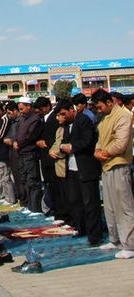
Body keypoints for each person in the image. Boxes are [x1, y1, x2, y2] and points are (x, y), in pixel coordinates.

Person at [92, 88, 134, 259]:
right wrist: (97, 152)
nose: (98, 110)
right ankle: (115, 239)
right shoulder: (104, 118)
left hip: (119, 165)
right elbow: (100, 141)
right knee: (109, 207)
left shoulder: (122, 116)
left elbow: (121, 142)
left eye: (100, 106)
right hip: (106, 166)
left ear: (110, 102)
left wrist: (105, 153)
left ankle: (130, 244)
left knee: (124, 206)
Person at [57, 100, 102, 246]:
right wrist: (62, 147)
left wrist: (73, 147)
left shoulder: (83, 120)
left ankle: (94, 235)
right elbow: (63, 142)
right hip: (72, 168)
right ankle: (81, 228)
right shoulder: (67, 125)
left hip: (85, 167)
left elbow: (88, 141)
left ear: (71, 109)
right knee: (75, 201)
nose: (62, 116)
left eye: (64, 113)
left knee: (90, 203)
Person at [13, 96, 43, 213]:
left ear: (29, 106)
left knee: (32, 180)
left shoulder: (35, 119)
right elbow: (18, 133)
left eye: (22, 108)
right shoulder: (22, 118)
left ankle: (35, 207)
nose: (20, 110)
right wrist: (15, 141)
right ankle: (28, 205)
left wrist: (19, 143)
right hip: (21, 153)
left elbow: (31, 136)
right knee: (24, 179)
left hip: (30, 153)